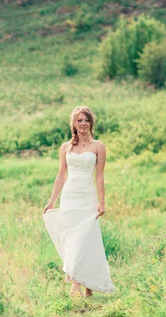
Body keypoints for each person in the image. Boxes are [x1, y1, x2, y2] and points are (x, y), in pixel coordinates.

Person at [42, 106, 114, 297]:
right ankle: (76, 282)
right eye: (79, 120)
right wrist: (51, 202)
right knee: (72, 238)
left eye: (86, 120)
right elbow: (60, 176)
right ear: (74, 123)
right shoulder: (66, 147)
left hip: (87, 197)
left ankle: (89, 283)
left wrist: (102, 202)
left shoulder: (98, 146)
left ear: (91, 123)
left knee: (87, 239)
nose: (83, 124)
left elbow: (99, 176)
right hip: (69, 196)